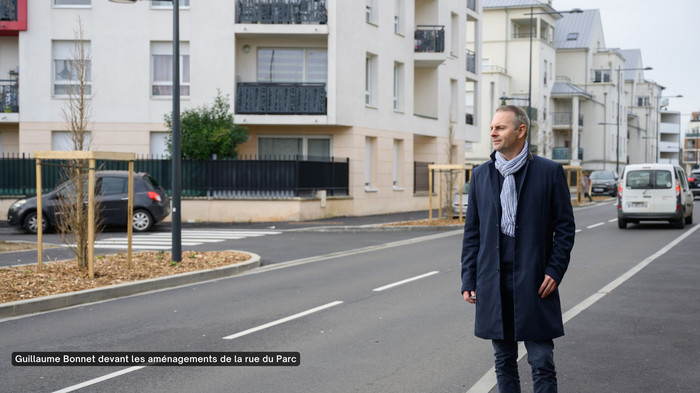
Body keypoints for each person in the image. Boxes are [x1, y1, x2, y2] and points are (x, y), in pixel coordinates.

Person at [460, 105, 575, 393]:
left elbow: (565, 229)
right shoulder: (481, 175)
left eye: (500, 127)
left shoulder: (549, 172)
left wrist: (555, 270)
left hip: (536, 283)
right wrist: (468, 279)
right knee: (503, 360)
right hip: (493, 283)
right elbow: (472, 233)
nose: (492, 132)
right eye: (492, 127)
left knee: (541, 360)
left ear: (520, 131)